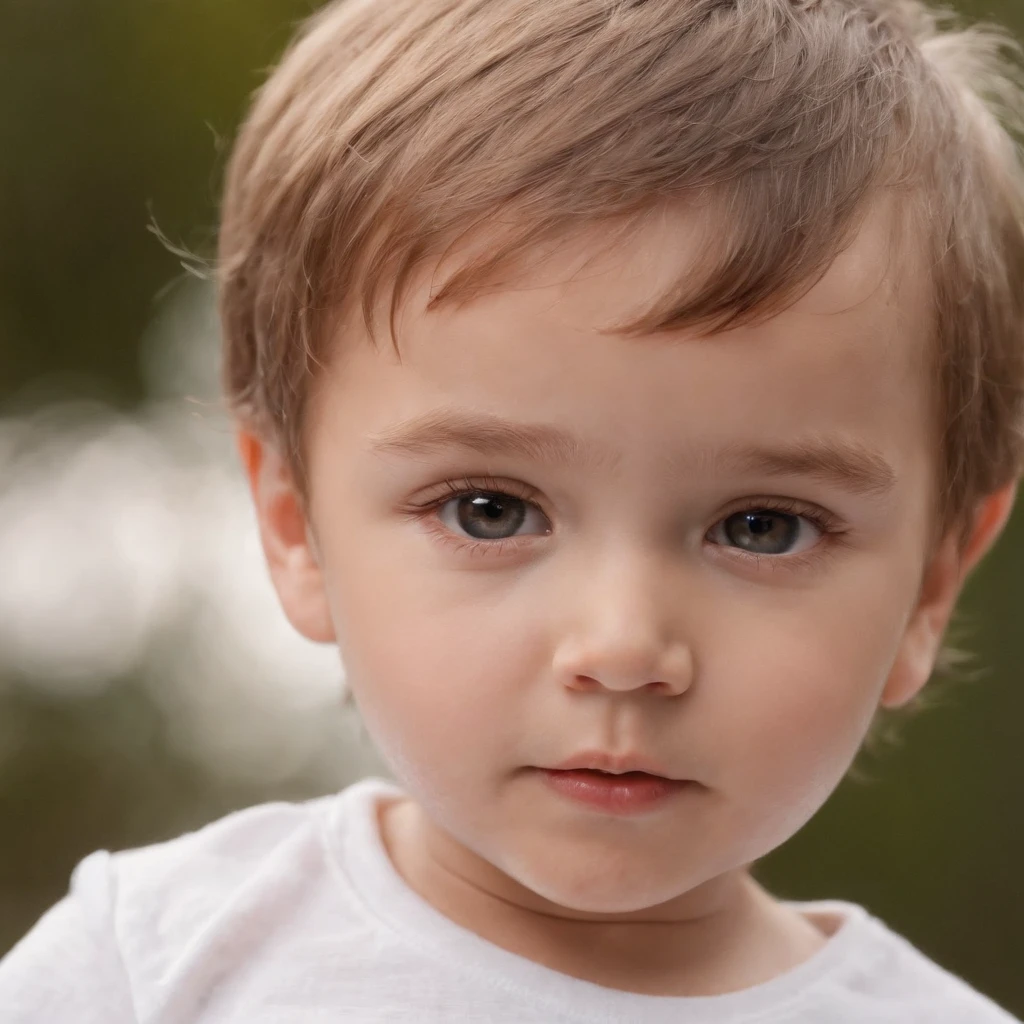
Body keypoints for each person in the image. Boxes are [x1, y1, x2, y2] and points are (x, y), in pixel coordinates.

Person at [4, 0, 1024, 1019]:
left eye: (762, 526)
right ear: (292, 524)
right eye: (491, 510)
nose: (622, 647)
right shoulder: (152, 965)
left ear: (932, 582)